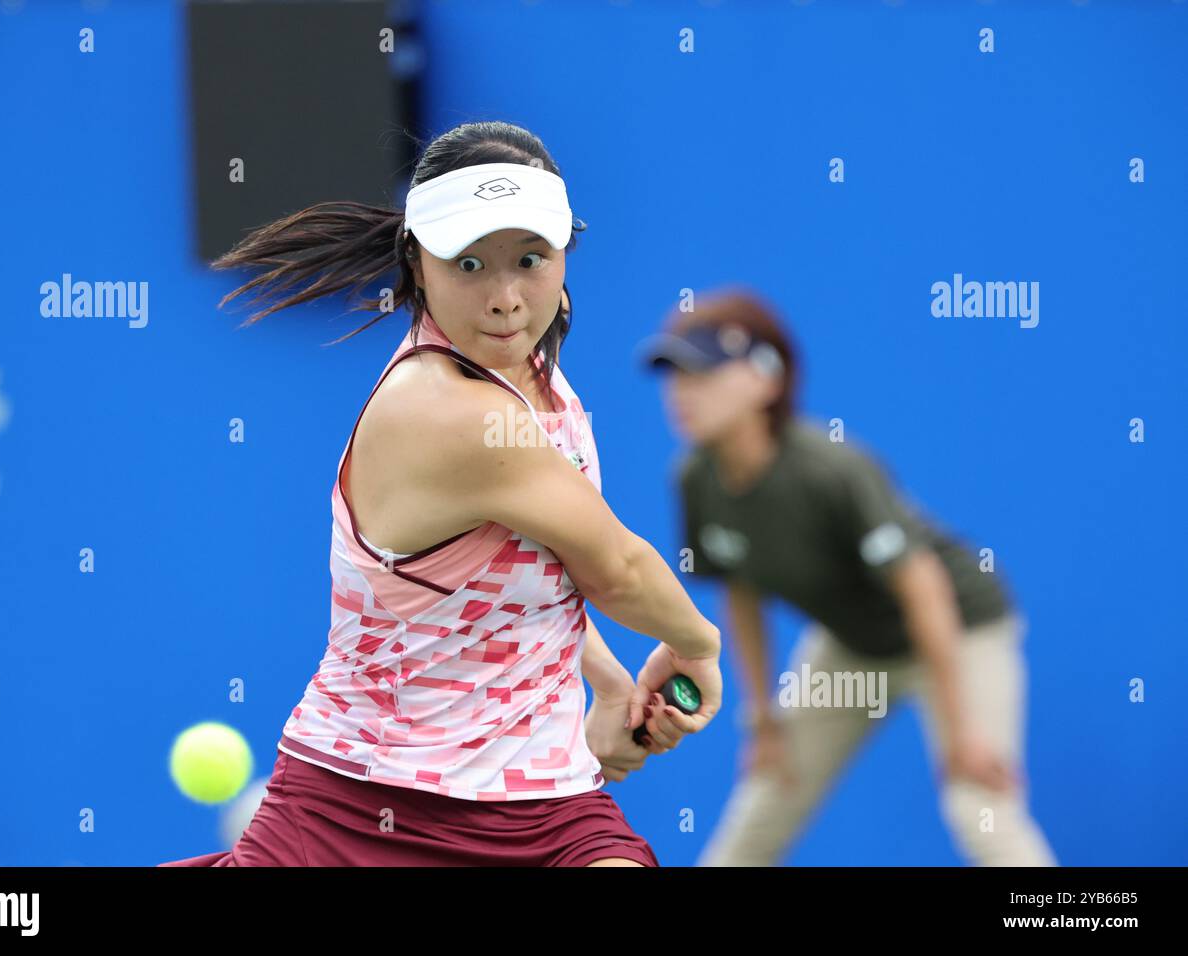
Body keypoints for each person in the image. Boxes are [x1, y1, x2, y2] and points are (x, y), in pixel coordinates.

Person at [160, 121, 721, 868]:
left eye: (531, 259)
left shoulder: (536, 385)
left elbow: (528, 571)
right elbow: (616, 569)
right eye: (469, 264)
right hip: (358, 810)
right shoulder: (452, 412)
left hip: (545, 812)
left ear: (565, 255)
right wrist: (696, 645)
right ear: (418, 266)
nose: (506, 298)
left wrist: (611, 681)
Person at [638, 288, 1057, 867]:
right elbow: (740, 591)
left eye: (704, 373)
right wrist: (762, 720)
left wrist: (964, 732)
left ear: (766, 380)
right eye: (674, 376)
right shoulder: (694, 479)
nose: (682, 393)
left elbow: (924, 586)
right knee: (763, 804)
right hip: (853, 647)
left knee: (979, 806)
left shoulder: (830, 469)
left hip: (957, 631)